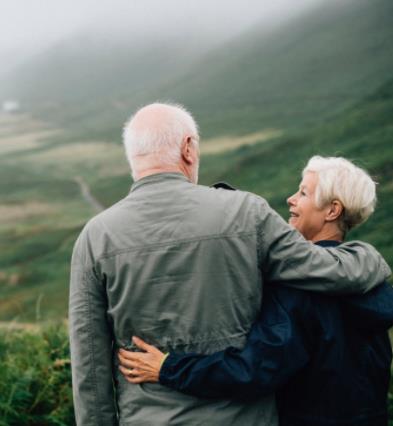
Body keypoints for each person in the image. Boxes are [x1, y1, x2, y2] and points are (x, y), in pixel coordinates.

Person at [69, 103, 390, 426]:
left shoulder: (95, 237)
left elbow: (90, 365)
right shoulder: (247, 213)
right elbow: (326, 269)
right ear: (188, 148)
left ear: (132, 158)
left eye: (303, 192)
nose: (293, 199)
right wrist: (369, 258)